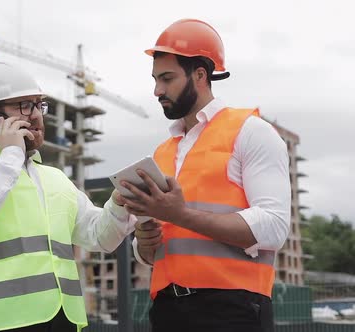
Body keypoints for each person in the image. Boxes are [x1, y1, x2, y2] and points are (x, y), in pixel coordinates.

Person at [117, 19, 291, 332]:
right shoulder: (161, 153)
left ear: (200, 75)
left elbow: (275, 226)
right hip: (168, 310)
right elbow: (154, 252)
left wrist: (181, 215)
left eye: (167, 78)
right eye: (155, 79)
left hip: (234, 310)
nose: (157, 90)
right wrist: (143, 243)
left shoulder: (251, 132)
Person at [0, 62, 136, 332]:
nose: (35, 115)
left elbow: (100, 237)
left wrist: (119, 203)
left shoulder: (55, 179)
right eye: (23, 105)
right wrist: (10, 155)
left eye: (38, 105)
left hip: (62, 321)